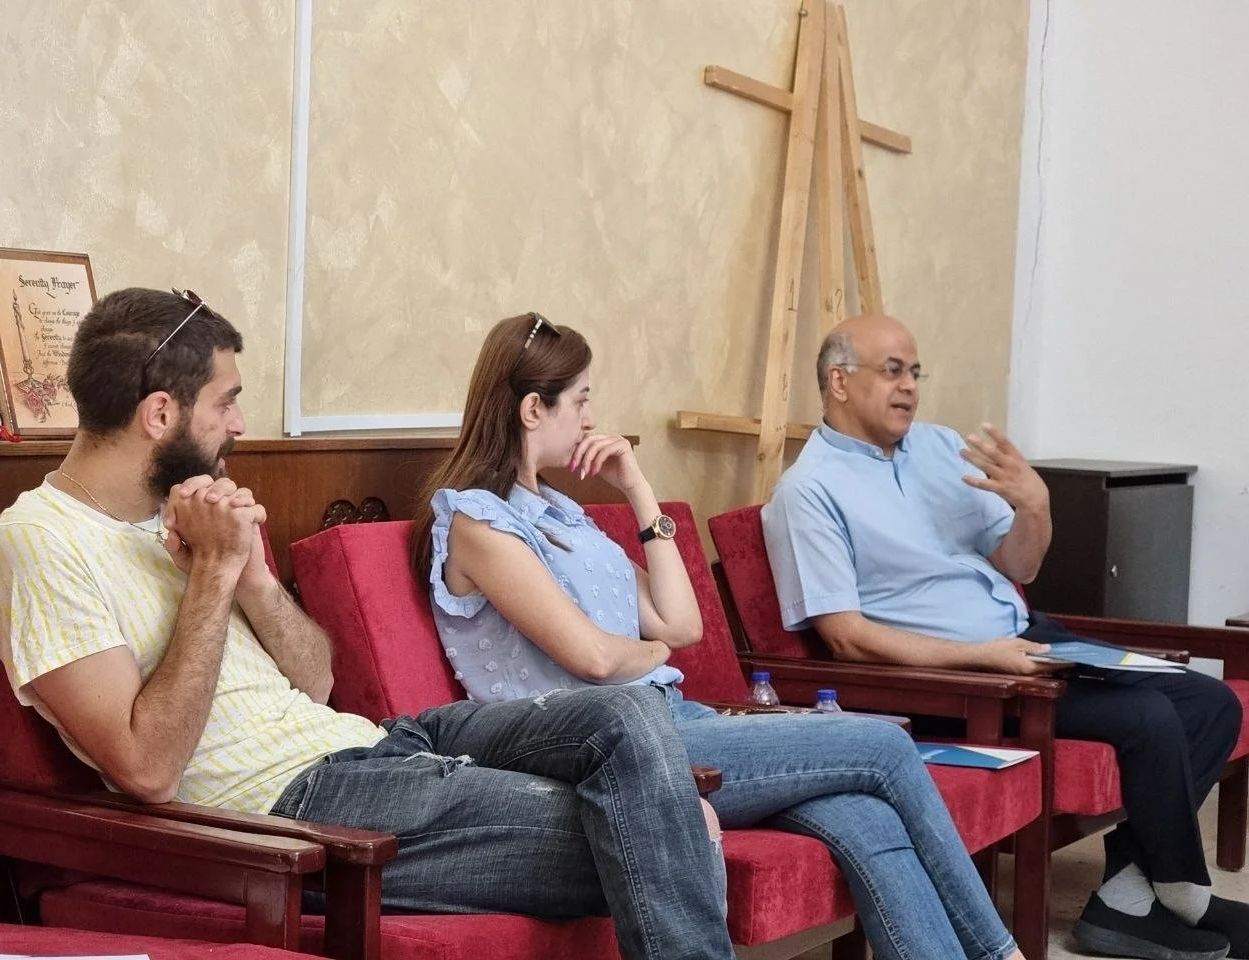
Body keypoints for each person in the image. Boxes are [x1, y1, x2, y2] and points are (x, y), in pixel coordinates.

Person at [0, 287, 735, 960]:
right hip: (298, 806)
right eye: (226, 402)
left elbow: (317, 681)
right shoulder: (39, 542)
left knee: (625, 715)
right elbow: (147, 770)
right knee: (679, 822)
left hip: (377, 744)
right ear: (160, 414)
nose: (239, 423)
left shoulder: (186, 511)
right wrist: (211, 577)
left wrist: (254, 577)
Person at [410, 311, 1027, 960]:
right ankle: (999, 952)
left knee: (864, 815)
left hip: (674, 719)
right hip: (620, 749)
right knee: (886, 746)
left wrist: (639, 491)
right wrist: (652, 654)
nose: (592, 419)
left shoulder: (563, 513)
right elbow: (594, 658)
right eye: (582, 401)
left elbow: (682, 624)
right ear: (535, 409)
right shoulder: (478, 521)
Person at [761, 312, 1246, 960]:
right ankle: (1178, 895)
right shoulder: (808, 490)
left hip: (1024, 639)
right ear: (839, 382)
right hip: (957, 679)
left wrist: (1036, 505)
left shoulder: (938, 449)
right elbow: (846, 637)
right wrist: (981, 658)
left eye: (915, 373)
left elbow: (1020, 564)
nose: (909, 387)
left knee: (1208, 701)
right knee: (1149, 716)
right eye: (893, 371)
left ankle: (1130, 899)